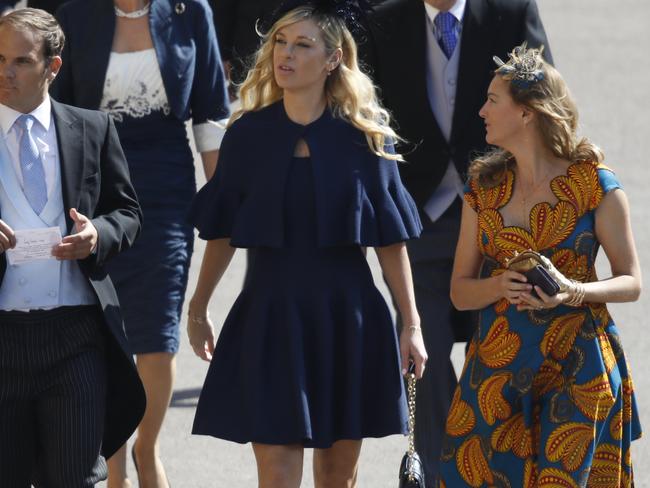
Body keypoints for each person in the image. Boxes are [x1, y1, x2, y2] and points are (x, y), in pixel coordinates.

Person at [187, 2, 427, 487]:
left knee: (337, 477)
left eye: (302, 45)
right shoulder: (247, 135)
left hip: (348, 320)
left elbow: (391, 243)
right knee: (276, 473)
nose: (286, 55)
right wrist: (199, 305)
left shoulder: (366, 138)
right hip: (271, 318)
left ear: (334, 58)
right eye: (280, 42)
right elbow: (223, 232)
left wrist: (412, 324)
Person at [361, 0, 552, 482]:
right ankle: (443, 473)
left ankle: (498, 466)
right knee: (422, 354)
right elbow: (362, 109)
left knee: (498, 352)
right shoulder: (383, 19)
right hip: (416, 216)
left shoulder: (510, 13)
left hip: (500, 216)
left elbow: (544, 103)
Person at [439, 43, 642, 486]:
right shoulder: (484, 189)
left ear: (528, 113)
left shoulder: (594, 184)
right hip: (496, 370)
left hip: (578, 367)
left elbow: (631, 282)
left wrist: (575, 290)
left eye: (493, 100)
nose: (481, 111)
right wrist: (500, 285)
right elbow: (459, 289)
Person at [50, 0, 230, 486]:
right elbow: (54, 105)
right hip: (91, 183)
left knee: (156, 333)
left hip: (166, 189)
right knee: (104, 328)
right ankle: (114, 463)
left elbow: (211, 110)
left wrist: (221, 202)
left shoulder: (191, 12)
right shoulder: (74, 13)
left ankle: (146, 449)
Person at [0, 8, 145, 487]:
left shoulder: (93, 128)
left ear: (53, 67)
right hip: (2, 337)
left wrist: (96, 236)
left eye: (20, 61)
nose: (5, 72)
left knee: (77, 479)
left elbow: (127, 213)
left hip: (75, 336)